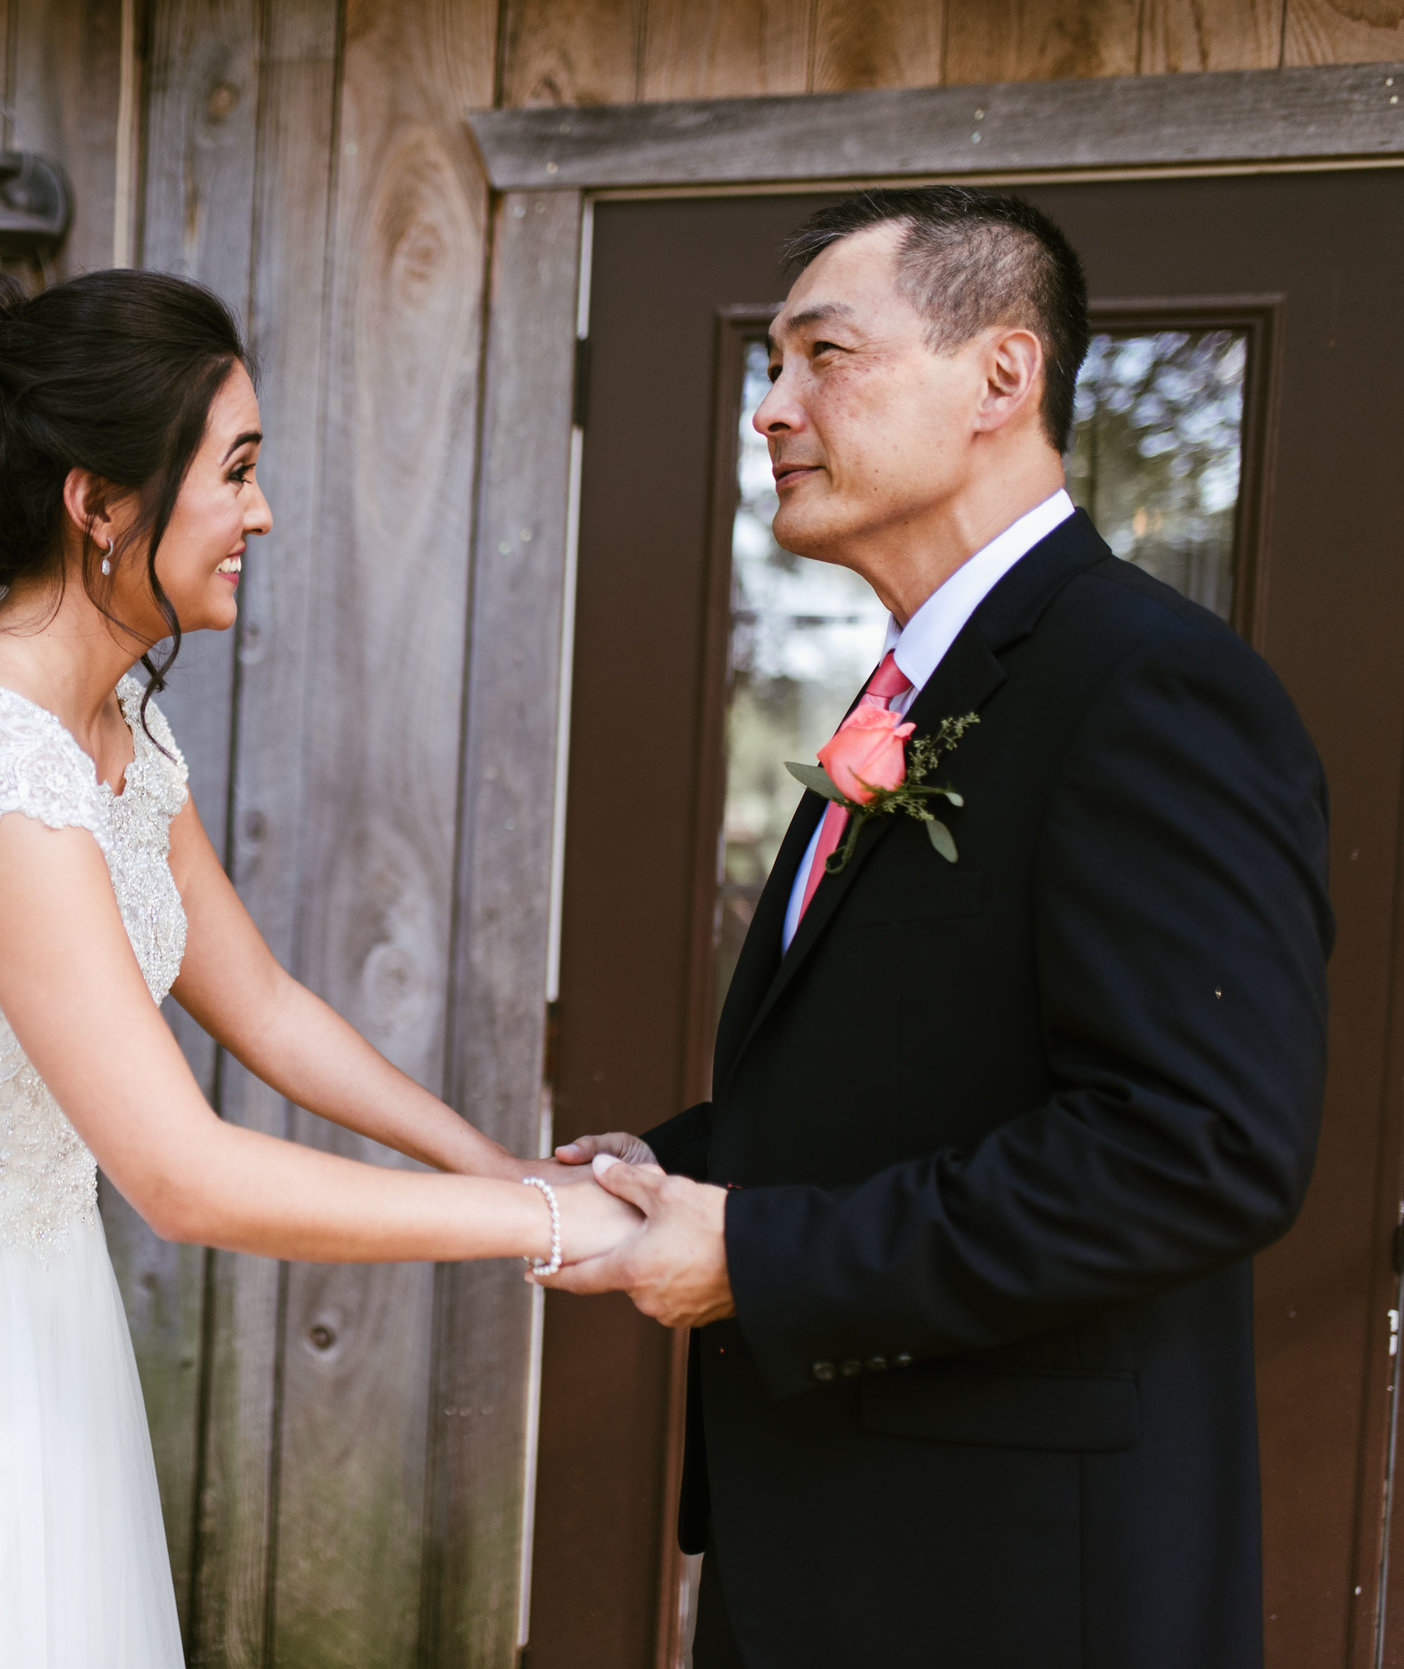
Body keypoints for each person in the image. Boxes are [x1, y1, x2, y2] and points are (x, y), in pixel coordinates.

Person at [0, 269, 638, 1667]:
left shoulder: (113, 726)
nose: (261, 512)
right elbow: (182, 1174)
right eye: (237, 470)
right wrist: (549, 1231)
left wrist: (500, 1163)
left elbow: (259, 999)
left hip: (31, 1297)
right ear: (98, 501)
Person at [551, 187, 1331, 1668]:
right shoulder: (909, 688)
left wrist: (766, 1257)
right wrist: (686, 1171)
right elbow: (932, 1062)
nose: (772, 410)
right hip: (838, 1530)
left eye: (822, 355)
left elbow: (1198, 1146)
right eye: (770, 369)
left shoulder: (1146, 687)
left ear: (1000, 375)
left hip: (1014, 1577)